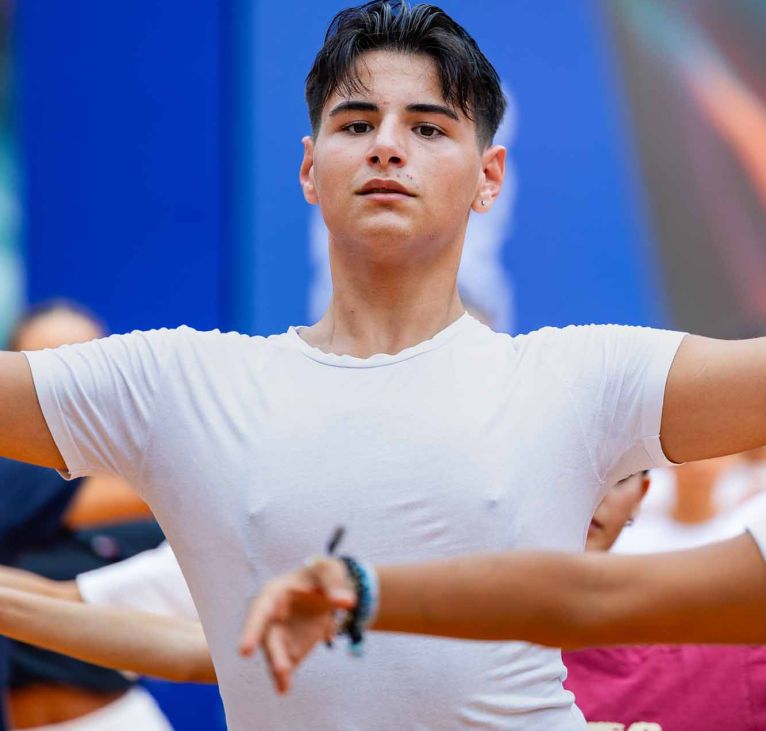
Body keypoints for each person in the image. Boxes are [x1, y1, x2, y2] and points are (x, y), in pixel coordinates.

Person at [1, 2, 766, 728]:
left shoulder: (582, 376)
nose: (387, 146)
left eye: (428, 127)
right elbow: (195, 648)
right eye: (356, 123)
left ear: (489, 176)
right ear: (309, 168)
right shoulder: (182, 382)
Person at [0, 301, 169, 731]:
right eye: (43, 363)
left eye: (81, 359)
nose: (65, 382)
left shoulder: (159, 500)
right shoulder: (15, 480)